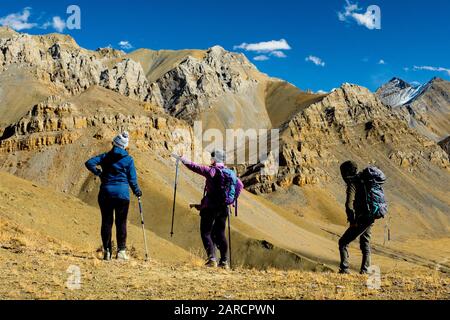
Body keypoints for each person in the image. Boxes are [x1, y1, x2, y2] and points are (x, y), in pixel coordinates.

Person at [173, 150, 243, 269]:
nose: (210, 160)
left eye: (212, 158)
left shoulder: (211, 171)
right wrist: (231, 200)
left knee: (206, 232)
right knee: (220, 234)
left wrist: (182, 159)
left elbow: (194, 167)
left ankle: (212, 259)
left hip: (210, 207)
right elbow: (240, 185)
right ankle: (224, 261)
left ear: (215, 159)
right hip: (223, 207)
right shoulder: (230, 173)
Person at [85, 131, 142, 261]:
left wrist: (99, 173)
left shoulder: (105, 157)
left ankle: (107, 252)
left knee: (107, 221)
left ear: (114, 143)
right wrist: (137, 191)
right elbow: (132, 180)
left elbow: (89, 163)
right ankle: (121, 252)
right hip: (122, 195)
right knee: (121, 223)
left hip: (105, 193)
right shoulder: (128, 160)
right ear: (125, 146)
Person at [338, 161, 375, 274]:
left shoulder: (353, 183)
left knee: (343, 243)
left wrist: (352, 220)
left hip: (361, 219)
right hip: (370, 217)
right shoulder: (364, 180)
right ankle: (365, 270)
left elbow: (348, 205)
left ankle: (344, 269)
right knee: (365, 244)